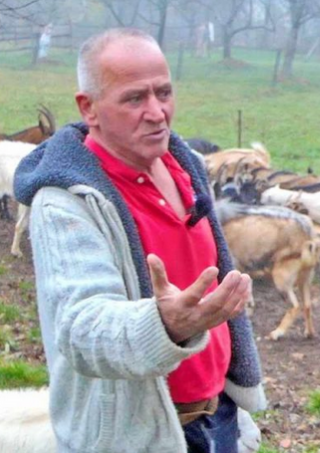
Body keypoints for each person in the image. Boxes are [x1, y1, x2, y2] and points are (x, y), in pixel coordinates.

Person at [14, 28, 266, 453]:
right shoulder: (65, 201)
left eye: (163, 93)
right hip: (135, 435)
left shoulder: (186, 167)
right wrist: (166, 324)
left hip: (218, 418)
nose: (157, 112)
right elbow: (81, 330)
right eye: (134, 98)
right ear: (88, 107)